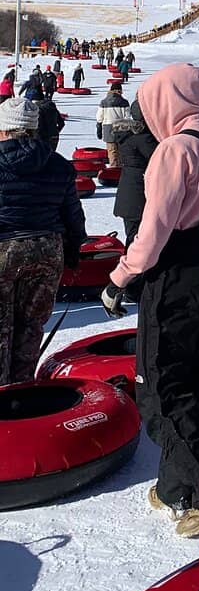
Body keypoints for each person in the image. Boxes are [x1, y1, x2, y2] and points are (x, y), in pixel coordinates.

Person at [99, 63, 199, 539]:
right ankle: (174, 484)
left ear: (165, 101)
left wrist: (118, 278)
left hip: (176, 272)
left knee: (160, 388)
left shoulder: (174, 149)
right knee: (189, 379)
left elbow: (152, 232)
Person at [0, 97, 85, 385]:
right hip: (47, 251)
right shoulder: (58, 164)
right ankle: (22, 391)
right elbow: (73, 214)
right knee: (31, 327)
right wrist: (74, 250)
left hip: (4, 250)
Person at [113, 99, 159, 246]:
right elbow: (160, 159)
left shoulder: (128, 135)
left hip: (128, 192)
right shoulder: (144, 138)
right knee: (139, 239)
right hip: (139, 193)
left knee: (133, 235)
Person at [96, 81, 131, 167]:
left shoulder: (104, 102)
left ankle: (113, 169)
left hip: (108, 128)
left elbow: (99, 117)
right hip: (121, 128)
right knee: (120, 150)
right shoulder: (124, 102)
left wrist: (99, 128)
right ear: (120, 91)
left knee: (112, 150)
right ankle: (121, 168)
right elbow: (127, 117)